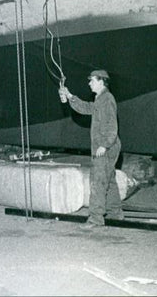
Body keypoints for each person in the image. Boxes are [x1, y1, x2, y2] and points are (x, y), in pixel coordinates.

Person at [59, 69, 123, 229]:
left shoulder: (107, 99)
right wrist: (69, 96)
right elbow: (86, 108)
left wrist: (105, 145)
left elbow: (112, 125)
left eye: (92, 80)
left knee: (98, 181)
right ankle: (116, 214)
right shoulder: (100, 99)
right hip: (109, 146)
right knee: (109, 179)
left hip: (106, 147)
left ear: (101, 81)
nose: (89, 83)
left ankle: (95, 219)